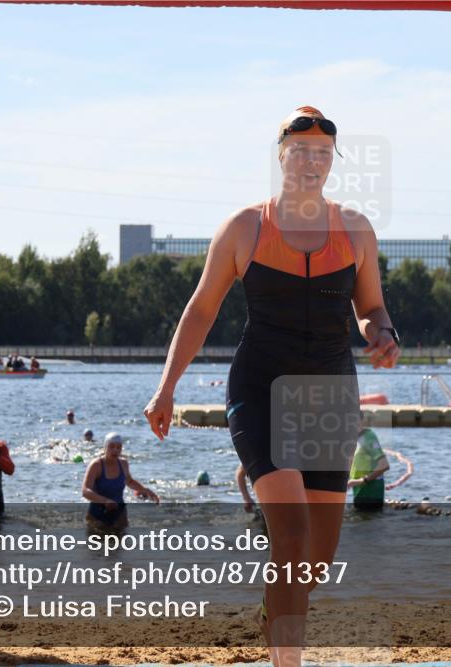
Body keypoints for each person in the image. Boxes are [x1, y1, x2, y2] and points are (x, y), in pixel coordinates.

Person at [143, 106, 399, 665]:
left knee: (318, 559)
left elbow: (370, 306)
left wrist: (381, 332)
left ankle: (274, 612)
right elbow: (201, 309)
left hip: (330, 394)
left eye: (323, 154)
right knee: (290, 535)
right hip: (261, 388)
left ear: (333, 161)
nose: (312, 162)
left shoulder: (354, 229)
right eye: (301, 151)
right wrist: (167, 389)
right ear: (281, 155)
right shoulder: (245, 227)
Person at [82, 432, 159, 532]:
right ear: (105, 448)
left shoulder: (123, 463)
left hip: (119, 513)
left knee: (121, 545)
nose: (115, 450)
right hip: (97, 514)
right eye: (112, 447)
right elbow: (85, 491)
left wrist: (146, 490)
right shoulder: (96, 465)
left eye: (119, 447)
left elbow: (130, 481)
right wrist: (105, 501)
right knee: (97, 545)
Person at [347, 425, 390, 511]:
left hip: (371, 496)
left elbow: (384, 465)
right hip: (360, 495)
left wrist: (361, 481)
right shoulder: (355, 439)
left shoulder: (368, 437)